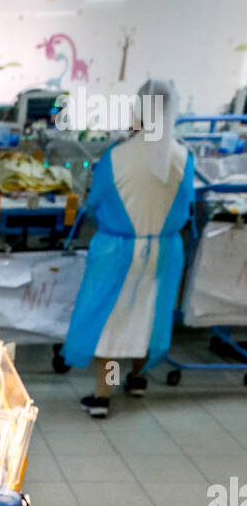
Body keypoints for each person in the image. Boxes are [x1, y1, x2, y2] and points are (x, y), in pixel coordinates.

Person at [61, 79, 194, 417]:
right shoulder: (182, 157)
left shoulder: (117, 156)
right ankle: (137, 380)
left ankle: (103, 395)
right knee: (149, 315)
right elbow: (186, 205)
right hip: (164, 251)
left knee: (113, 322)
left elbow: (95, 202)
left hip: (118, 251)